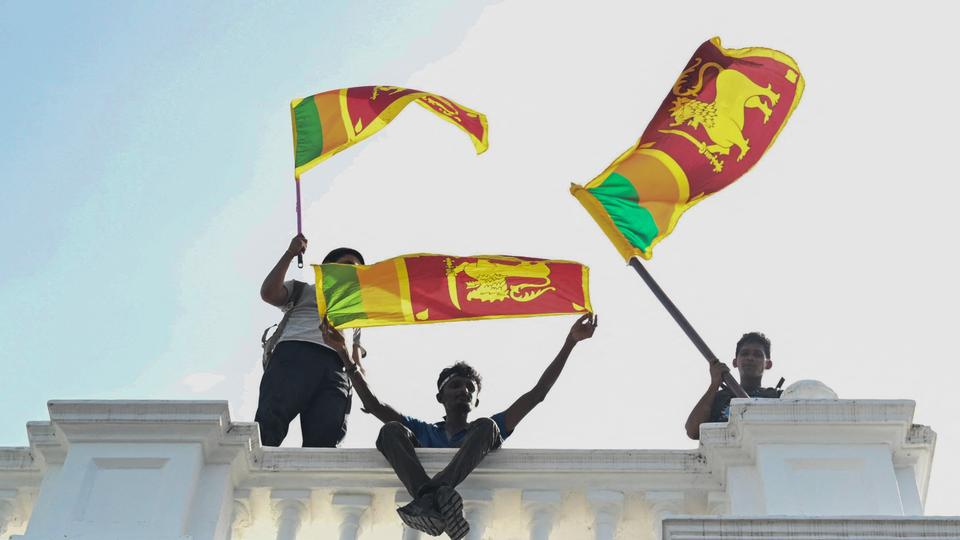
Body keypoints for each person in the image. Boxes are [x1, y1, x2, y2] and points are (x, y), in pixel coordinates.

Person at [323, 313, 598, 539]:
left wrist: (570, 343)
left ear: (476, 399)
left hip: (476, 454)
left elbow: (536, 394)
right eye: (455, 385)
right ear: (440, 397)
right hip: (432, 475)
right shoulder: (423, 431)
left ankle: (429, 500)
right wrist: (344, 353)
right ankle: (434, 497)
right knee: (390, 431)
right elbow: (373, 405)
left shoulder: (482, 431)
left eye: (470, 388)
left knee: (489, 427)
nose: (463, 390)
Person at [255, 234, 365, 448]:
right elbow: (269, 293)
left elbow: (357, 360)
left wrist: (362, 388)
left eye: (358, 270)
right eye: (348, 265)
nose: (354, 272)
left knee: (326, 441)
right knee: (269, 426)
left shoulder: (358, 313)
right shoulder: (303, 290)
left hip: (337, 370)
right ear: (328, 268)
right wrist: (290, 253)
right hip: (294, 356)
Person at [684, 331, 782, 440]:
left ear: (768, 364)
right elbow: (692, 431)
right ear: (735, 362)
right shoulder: (718, 398)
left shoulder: (777, 398)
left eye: (757, 355)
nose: (750, 358)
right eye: (745, 353)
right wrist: (714, 384)